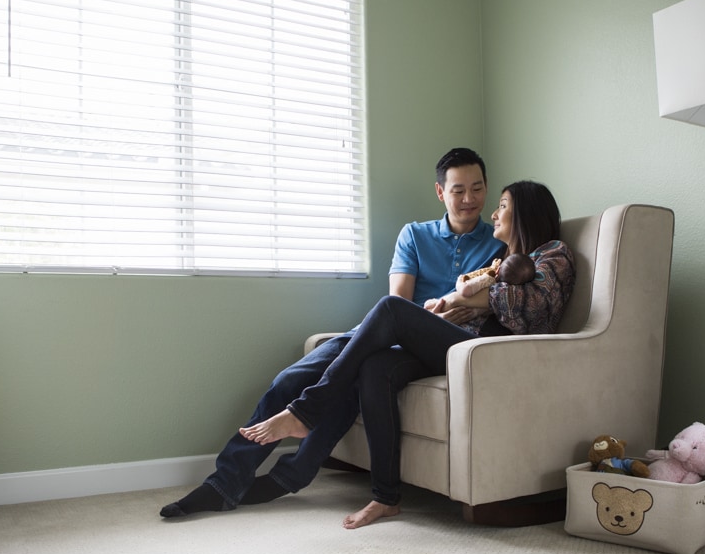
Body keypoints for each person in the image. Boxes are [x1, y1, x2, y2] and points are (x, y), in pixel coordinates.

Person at [160, 147, 505, 518]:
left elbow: (476, 306)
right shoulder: (415, 235)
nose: (469, 199)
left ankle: (291, 462)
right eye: (458, 190)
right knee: (290, 379)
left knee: (360, 372)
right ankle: (225, 483)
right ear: (441, 192)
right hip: (381, 330)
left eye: (477, 188)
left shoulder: (498, 244)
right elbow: (399, 300)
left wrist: (441, 313)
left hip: (423, 347)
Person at [239, 180, 576, 528]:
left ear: (526, 212)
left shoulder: (554, 252)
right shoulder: (498, 261)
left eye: (502, 205)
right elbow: (472, 299)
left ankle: (306, 411)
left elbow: (530, 302)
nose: (493, 212)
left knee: (392, 308)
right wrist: (455, 306)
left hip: (494, 355)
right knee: (376, 366)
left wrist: (461, 300)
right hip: (464, 345)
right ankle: (385, 497)